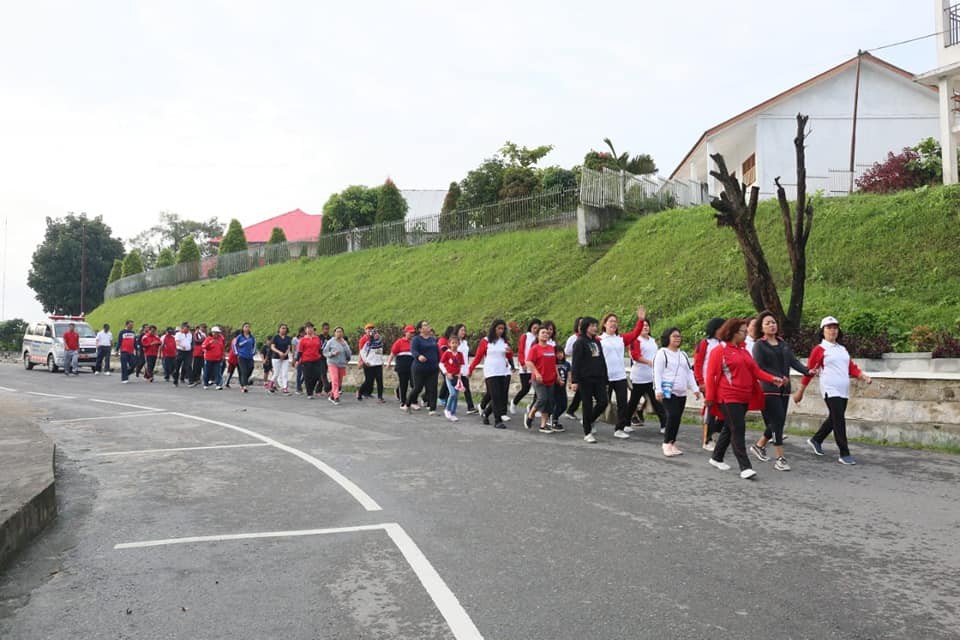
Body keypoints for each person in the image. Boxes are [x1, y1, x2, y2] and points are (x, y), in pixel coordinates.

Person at [705, 318, 786, 479]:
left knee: (730, 427)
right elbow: (711, 375)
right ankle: (745, 466)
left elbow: (755, 371)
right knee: (738, 429)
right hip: (727, 396)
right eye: (743, 331)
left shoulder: (744, 351)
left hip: (744, 396)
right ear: (733, 333)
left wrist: (772, 379)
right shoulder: (719, 351)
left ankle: (716, 457)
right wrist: (709, 397)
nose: (746, 334)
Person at [794, 316, 872, 465]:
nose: (832, 330)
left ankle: (816, 439)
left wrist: (863, 376)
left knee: (835, 417)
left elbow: (851, 367)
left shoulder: (842, 349)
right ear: (822, 331)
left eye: (835, 328)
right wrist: (800, 391)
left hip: (843, 389)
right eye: (829, 328)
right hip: (830, 388)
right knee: (839, 420)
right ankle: (844, 453)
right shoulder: (819, 349)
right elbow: (809, 371)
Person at [749, 311, 813, 471]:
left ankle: (759, 445)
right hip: (769, 388)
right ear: (761, 328)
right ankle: (780, 458)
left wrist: (808, 371)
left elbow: (793, 361)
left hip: (785, 389)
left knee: (778, 421)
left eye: (773, 322)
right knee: (777, 422)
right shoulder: (759, 345)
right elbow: (759, 368)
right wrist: (774, 378)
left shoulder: (783, 343)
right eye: (767, 323)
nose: (772, 325)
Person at [599, 306, 646, 439]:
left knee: (623, 403)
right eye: (610, 321)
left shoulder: (621, 339)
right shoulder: (599, 340)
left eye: (615, 321)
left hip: (620, 376)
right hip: (605, 377)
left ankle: (620, 427)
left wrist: (641, 320)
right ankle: (590, 421)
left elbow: (635, 333)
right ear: (604, 324)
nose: (613, 323)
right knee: (602, 402)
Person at [653, 327, 701, 457]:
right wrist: (658, 390)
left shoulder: (683, 354)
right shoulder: (662, 353)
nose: (677, 338)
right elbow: (657, 372)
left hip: (681, 392)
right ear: (668, 338)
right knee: (672, 415)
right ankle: (666, 443)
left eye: (679, 336)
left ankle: (672, 442)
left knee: (677, 418)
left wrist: (695, 389)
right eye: (674, 336)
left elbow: (689, 373)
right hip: (668, 391)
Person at [468, 319, 514, 429]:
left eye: (503, 329)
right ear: (493, 329)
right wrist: (470, 369)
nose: (501, 331)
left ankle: (486, 413)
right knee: (495, 396)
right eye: (499, 328)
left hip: (502, 371)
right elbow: (478, 357)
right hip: (491, 371)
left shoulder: (504, 341)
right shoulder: (485, 341)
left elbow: (509, 356)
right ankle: (497, 420)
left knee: (501, 396)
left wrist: (509, 352)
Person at [570, 316, 608, 444]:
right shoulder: (580, 342)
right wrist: (574, 381)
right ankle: (587, 432)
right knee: (587, 405)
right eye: (592, 326)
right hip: (585, 379)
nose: (595, 328)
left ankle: (589, 420)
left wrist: (605, 377)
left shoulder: (596, 342)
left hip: (598, 378)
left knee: (603, 401)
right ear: (585, 327)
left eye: (595, 326)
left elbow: (601, 360)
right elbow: (575, 363)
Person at [626, 319, 667, 434]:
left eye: (647, 325)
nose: (645, 327)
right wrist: (649, 362)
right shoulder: (636, 341)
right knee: (633, 401)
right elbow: (635, 356)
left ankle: (664, 424)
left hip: (652, 377)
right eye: (643, 326)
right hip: (639, 378)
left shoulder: (652, 341)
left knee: (656, 401)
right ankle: (626, 422)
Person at [694, 317, 726, 450]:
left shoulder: (725, 344)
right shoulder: (705, 343)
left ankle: (716, 431)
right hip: (708, 383)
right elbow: (698, 363)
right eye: (721, 328)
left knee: (725, 409)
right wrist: (701, 382)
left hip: (722, 383)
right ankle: (707, 440)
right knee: (710, 410)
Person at [524, 326, 557, 434]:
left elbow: (554, 364)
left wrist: (558, 377)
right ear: (538, 335)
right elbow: (528, 362)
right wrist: (536, 373)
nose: (545, 335)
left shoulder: (551, 348)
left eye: (547, 333)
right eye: (543, 333)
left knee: (548, 402)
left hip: (550, 379)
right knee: (542, 399)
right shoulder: (535, 348)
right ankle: (531, 414)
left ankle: (543, 426)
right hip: (539, 379)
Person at [406, 320, 440, 415]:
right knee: (418, 387)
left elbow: (437, 352)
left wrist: (440, 363)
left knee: (433, 388)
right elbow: (413, 350)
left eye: (428, 324)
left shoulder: (433, 339)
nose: (428, 326)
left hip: (433, 368)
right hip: (419, 368)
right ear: (420, 329)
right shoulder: (416, 339)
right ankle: (408, 403)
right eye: (425, 325)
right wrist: (419, 356)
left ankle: (432, 409)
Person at [511, 319, 541, 414]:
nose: (536, 330)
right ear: (530, 327)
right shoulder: (525, 336)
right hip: (525, 366)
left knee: (538, 389)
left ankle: (532, 407)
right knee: (525, 388)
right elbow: (521, 351)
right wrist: (522, 363)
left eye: (538, 328)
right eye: (534, 328)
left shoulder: (540, 338)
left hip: (536, 367)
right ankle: (514, 402)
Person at [387, 325, 416, 410]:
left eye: (413, 333)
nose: (412, 334)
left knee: (414, 384)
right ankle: (403, 402)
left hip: (412, 366)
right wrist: (388, 363)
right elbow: (392, 353)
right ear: (405, 333)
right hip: (402, 366)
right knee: (404, 384)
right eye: (410, 333)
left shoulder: (414, 342)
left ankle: (413, 401)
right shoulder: (399, 342)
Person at [322, 326, 351, 404]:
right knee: (335, 379)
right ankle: (336, 397)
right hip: (332, 363)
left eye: (340, 331)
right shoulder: (331, 341)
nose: (339, 333)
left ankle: (331, 395)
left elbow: (348, 353)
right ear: (334, 333)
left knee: (339, 381)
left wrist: (345, 347)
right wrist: (332, 353)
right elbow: (324, 352)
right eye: (337, 331)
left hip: (341, 364)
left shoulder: (344, 342)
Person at [440, 335, 464, 421]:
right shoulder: (447, 353)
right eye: (452, 343)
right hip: (449, 377)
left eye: (456, 343)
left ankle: (453, 413)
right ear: (449, 344)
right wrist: (446, 373)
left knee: (456, 396)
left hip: (457, 377)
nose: (454, 345)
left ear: (459, 344)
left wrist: (461, 374)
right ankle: (447, 409)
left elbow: (461, 365)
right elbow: (441, 364)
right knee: (452, 393)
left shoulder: (460, 354)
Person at [295, 323, 322, 400]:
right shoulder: (303, 340)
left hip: (316, 359)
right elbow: (300, 352)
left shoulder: (317, 338)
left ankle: (311, 389)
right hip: (306, 361)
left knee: (317, 375)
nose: (309, 329)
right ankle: (309, 393)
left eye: (311, 328)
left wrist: (323, 357)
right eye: (308, 328)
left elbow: (320, 349)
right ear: (305, 330)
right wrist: (297, 361)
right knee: (307, 377)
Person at [454, 325, 476, 414]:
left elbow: (466, 357)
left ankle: (470, 407)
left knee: (466, 388)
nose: (463, 332)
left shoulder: (465, 342)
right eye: (461, 330)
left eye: (464, 330)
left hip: (464, 368)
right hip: (456, 369)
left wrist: (468, 369)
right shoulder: (454, 342)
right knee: (452, 390)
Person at [563, 317, 582, 422]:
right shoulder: (573, 339)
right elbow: (567, 352)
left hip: (588, 368)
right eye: (580, 325)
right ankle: (571, 410)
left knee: (582, 391)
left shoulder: (591, 338)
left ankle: (571, 410)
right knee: (581, 391)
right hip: (576, 367)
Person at [360, 327, 386, 402]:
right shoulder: (368, 343)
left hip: (378, 364)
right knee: (368, 381)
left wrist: (382, 361)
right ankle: (360, 392)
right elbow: (362, 352)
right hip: (370, 365)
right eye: (375, 333)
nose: (377, 335)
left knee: (380, 381)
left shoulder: (380, 343)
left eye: (378, 333)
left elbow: (379, 353)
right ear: (372, 334)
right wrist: (365, 361)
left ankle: (380, 397)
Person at [550, 349, 570, 432]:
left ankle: (554, 417)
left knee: (564, 405)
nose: (559, 355)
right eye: (557, 353)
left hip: (563, 387)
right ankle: (554, 421)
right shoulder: (553, 363)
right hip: (555, 387)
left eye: (561, 353)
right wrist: (558, 380)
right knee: (557, 404)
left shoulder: (567, 364)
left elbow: (569, 373)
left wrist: (570, 382)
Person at [270, 324, 293, 394]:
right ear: (279, 329)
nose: (284, 330)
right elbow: (272, 347)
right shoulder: (275, 337)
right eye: (282, 328)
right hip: (276, 357)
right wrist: (279, 352)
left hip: (285, 358)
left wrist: (285, 354)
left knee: (285, 373)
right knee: (276, 373)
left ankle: (285, 388)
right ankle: (271, 383)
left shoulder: (288, 338)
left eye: (285, 328)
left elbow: (288, 348)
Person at [234, 323, 256, 393]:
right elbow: (235, 345)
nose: (247, 328)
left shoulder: (252, 337)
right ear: (243, 328)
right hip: (241, 356)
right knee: (244, 371)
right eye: (246, 327)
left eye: (248, 327)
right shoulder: (240, 337)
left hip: (249, 356)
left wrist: (253, 353)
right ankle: (244, 386)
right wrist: (237, 353)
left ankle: (244, 381)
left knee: (251, 368)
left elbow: (254, 345)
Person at [357, 323, 375, 401]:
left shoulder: (374, 338)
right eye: (368, 329)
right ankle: (360, 392)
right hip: (366, 361)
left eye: (371, 329)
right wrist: (361, 361)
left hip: (373, 361)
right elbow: (361, 351)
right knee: (368, 378)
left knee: (372, 378)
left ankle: (368, 393)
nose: (370, 330)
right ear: (365, 330)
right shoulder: (363, 339)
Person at [173, 322, 193, 387]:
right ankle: (175, 380)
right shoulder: (178, 334)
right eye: (186, 329)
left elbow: (190, 342)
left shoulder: (190, 334)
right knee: (177, 366)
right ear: (182, 328)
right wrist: (182, 346)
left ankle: (190, 381)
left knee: (188, 365)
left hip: (188, 352)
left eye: (188, 329)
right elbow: (177, 342)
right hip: (180, 351)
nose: (187, 330)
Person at [318, 322, 333, 395]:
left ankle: (318, 390)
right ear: (322, 329)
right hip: (320, 357)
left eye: (327, 329)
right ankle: (327, 389)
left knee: (323, 374)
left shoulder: (330, 338)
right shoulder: (319, 337)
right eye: (325, 329)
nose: (326, 330)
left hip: (328, 357)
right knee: (323, 373)